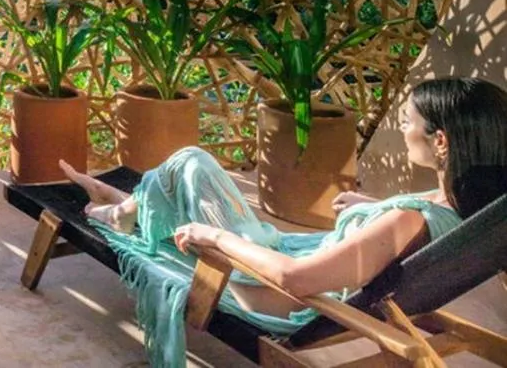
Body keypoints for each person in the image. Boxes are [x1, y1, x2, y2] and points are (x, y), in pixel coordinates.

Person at [60, 77, 507, 368]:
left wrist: (213, 236)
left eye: (408, 121)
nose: (403, 126)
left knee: (191, 163)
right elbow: (403, 235)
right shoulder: (469, 209)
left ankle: (121, 210)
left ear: (442, 141)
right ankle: (124, 206)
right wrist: (368, 207)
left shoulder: (410, 220)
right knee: (190, 172)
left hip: (274, 293)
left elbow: (296, 280)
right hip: (298, 263)